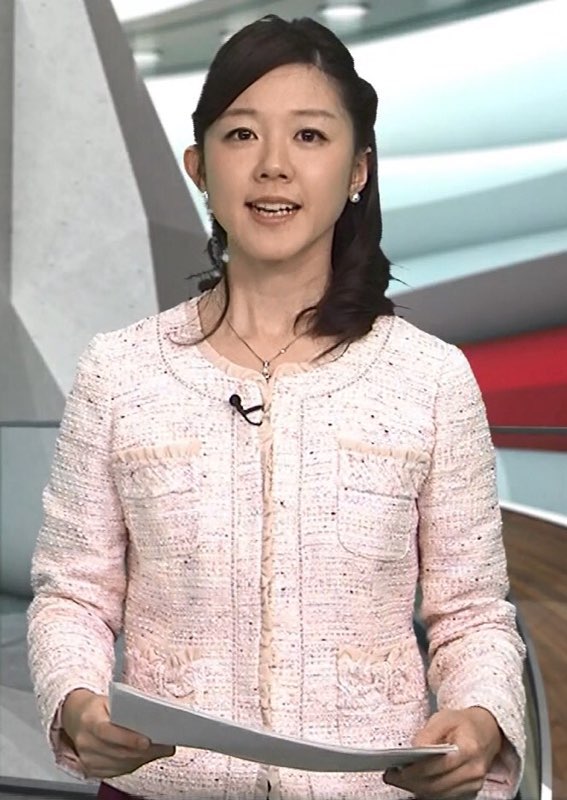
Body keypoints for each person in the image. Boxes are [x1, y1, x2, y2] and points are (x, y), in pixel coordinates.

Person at [27, 14, 526, 800]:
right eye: (240, 135)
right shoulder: (119, 372)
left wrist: (479, 717)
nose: (272, 167)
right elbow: (74, 594)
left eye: (309, 136)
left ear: (357, 170)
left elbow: (471, 614)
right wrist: (76, 702)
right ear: (198, 166)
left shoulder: (429, 379)